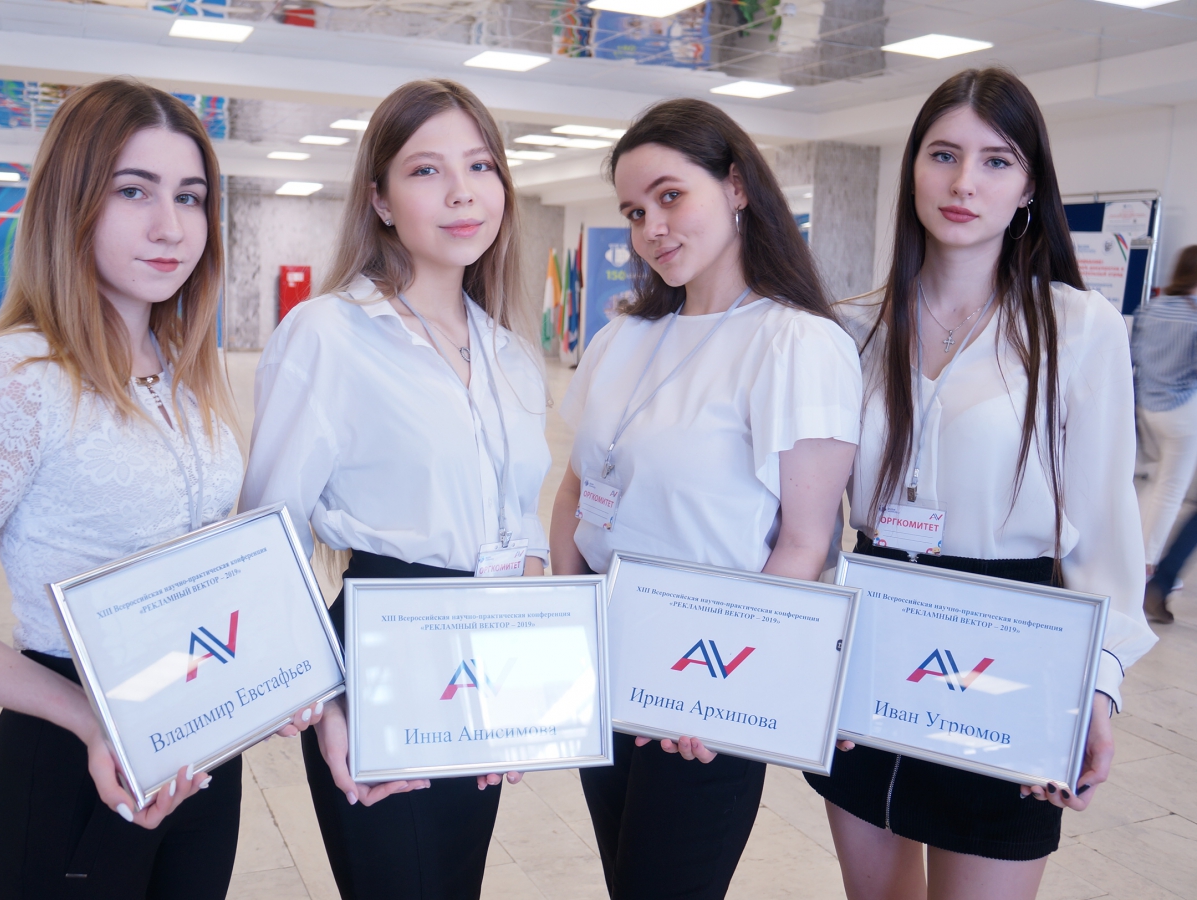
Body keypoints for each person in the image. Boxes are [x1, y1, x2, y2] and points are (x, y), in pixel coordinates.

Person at [0, 79, 306, 900]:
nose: (170, 226)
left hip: (200, 740)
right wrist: (87, 718)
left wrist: (274, 674)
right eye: (133, 191)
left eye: (189, 196)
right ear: (72, 203)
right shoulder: (18, 378)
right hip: (75, 749)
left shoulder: (182, 367)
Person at [804, 68, 1156, 900]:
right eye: (943, 155)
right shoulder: (854, 325)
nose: (964, 182)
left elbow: (1105, 525)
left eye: (996, 161)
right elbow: (809, 514)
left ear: (1029, 186)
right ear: (912, 171)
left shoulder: (1077, 329)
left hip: (1013, 649)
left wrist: (1097, 684)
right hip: (872, 642)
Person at [239, 78, 550, 900]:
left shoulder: (509, 352)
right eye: (425, 171)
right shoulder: (328, 333)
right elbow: (267, 539)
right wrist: (325, 701)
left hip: (485, 658)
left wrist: (526, 678)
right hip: (383, 653)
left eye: (480, 166)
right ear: (378, 199)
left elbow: (522, 524)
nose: (461, 193)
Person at [549, 99, 862, 900]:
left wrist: (720, 695)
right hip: (610, 664)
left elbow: (803, 542)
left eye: (669, 196)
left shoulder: (797, 343)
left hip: (706, 680)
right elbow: (577, 488)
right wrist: (571, 630)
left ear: (736, 187)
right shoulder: (622, 337)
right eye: (633, 211)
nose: (651, 227)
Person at [1133, 246, 1197, 624]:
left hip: (1147, 406)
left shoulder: (1151, 307)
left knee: (1152, 483)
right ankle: (1147, 567)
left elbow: (1133, 356)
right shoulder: (1194, 315)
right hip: (1181, 413)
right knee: (1171, 490)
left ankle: (1132, 555)